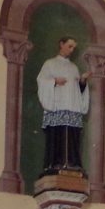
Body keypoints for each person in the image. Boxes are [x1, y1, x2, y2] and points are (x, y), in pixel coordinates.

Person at [36, 36, 90, 174]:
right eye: (69, 46)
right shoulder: (50, 64)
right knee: (57, 135)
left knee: (72, 136)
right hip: (57, 106)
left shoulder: (74, 67)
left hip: (72, 107)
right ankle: (55, 165)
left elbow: (79, 90)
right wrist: (54, 81)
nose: (71, 50)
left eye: (73, 48)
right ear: (61, 44)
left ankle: (72, 164)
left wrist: (83, 81)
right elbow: (41, 80)